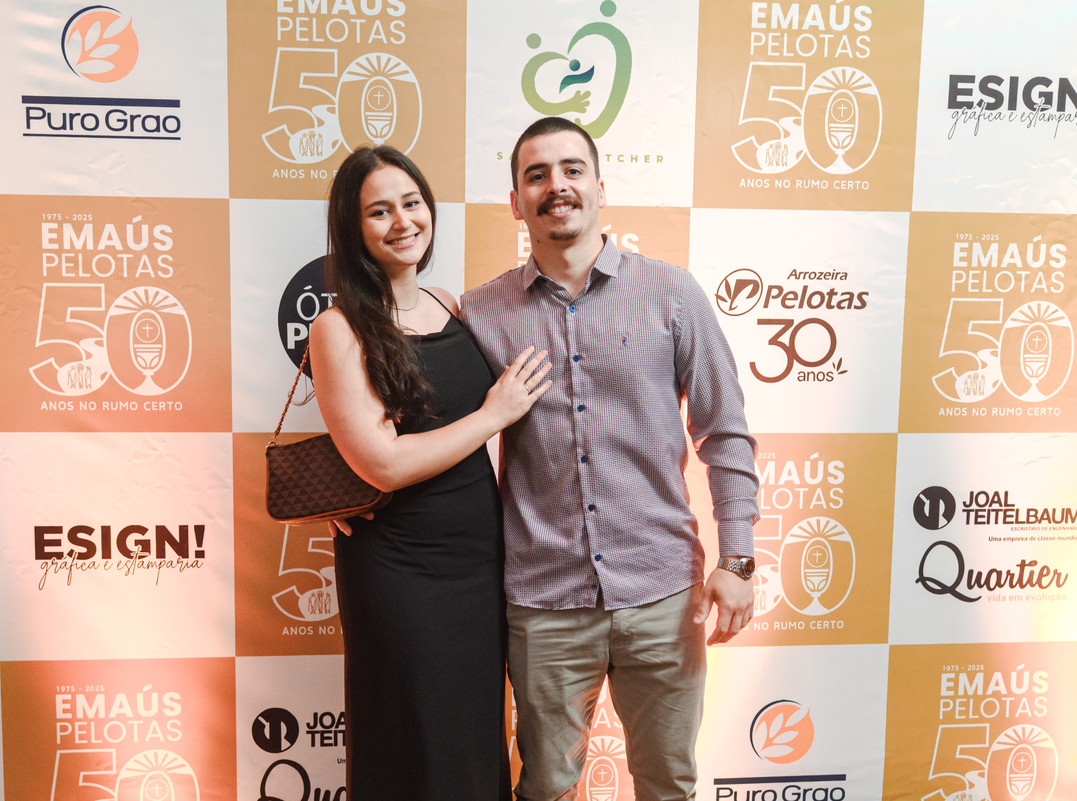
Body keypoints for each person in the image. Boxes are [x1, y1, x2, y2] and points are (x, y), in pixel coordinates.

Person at [460, 117, 760, 801]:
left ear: (601, 188)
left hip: (662, 593)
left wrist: (739, 558)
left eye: (572, 170)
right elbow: (433, 429)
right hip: (543, 602)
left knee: (668, 784)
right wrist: (370, 493)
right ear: (516, 202)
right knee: (546, 787)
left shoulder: (673, 294)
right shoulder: (480, 314)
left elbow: (724, 431)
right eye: (536, 175)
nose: (556, 185)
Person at [308, 145, 552, 801]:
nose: (402, 222)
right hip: (398, 567)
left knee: (471, 736)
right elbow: (382, 461)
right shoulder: (338, 327)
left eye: (411, 203)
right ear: (352, 228)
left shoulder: (450, 305)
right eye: (379, 211)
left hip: (479, 561)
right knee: (413, 739)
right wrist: (493, 415)